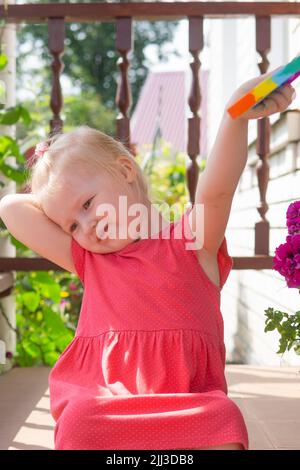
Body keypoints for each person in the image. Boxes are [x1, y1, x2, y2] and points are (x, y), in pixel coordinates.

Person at [0, 69, 296, 450]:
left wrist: (234, 118)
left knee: (224, 418)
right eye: (72, 224)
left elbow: (216, 192)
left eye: (89, 204)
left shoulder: (192, 242)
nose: (88, 226)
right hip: (109, 406)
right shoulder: (91, 262)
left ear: (126, 171)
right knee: (77, 421)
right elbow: (11, 208)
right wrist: (57, 190)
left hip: (188, 406)